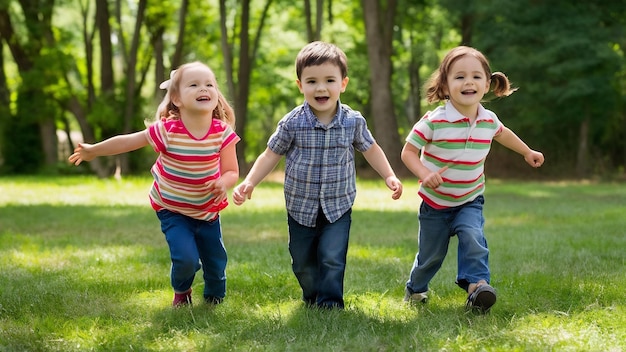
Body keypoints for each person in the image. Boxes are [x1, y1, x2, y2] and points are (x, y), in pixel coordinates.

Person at [232, 41, 403, 310]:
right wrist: (250, 181)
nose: (321, 88)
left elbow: (371, 148)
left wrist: (389, 176)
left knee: (332, 257)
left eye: (329, 80)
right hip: (301, 205)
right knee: (302, 261)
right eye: (312, 81)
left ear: (343, 84)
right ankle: (311, 295)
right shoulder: (292, 122)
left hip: (338, 203)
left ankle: (330, 303)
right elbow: (270, 154)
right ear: (300, 85)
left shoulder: (353, 121)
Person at [69, 62, 240, 307]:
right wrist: (94, 150)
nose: (204, 88)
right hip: (172, 208)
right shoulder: (168, 131)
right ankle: (182, 291)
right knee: (186, 259)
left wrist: (223, 182)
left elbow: (232, 170)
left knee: (215, 261)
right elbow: (128, 142)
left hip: (207, 211)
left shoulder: (221, 132)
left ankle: (214, 297)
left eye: (209, 84)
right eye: (194, 84)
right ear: (177, 99)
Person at [401, 46, 544, 313]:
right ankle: (416, 289)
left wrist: (527, 151)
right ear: (445, 85)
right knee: (430, 257)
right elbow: (408, 152)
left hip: (470, 199)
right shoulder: (434, 121)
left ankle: (477, 288)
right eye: (459, 77)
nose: (469, 82)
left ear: (487, 84)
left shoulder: (488, 119)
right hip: (435, 204)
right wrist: (424, 174)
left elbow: (504, 134)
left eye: (476, 76)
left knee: (473, 237)